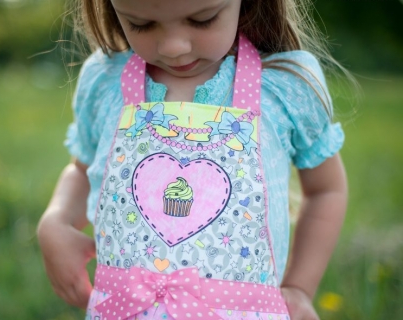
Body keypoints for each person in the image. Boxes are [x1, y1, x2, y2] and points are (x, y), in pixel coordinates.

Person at [37, 0, 348, 319]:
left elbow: (326, 190)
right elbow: (81, 169)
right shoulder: (105, 81)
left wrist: (299, 288)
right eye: (141, 24)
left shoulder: (285, 86)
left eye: (203, 19)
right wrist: (57, 220)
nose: (174, 47)